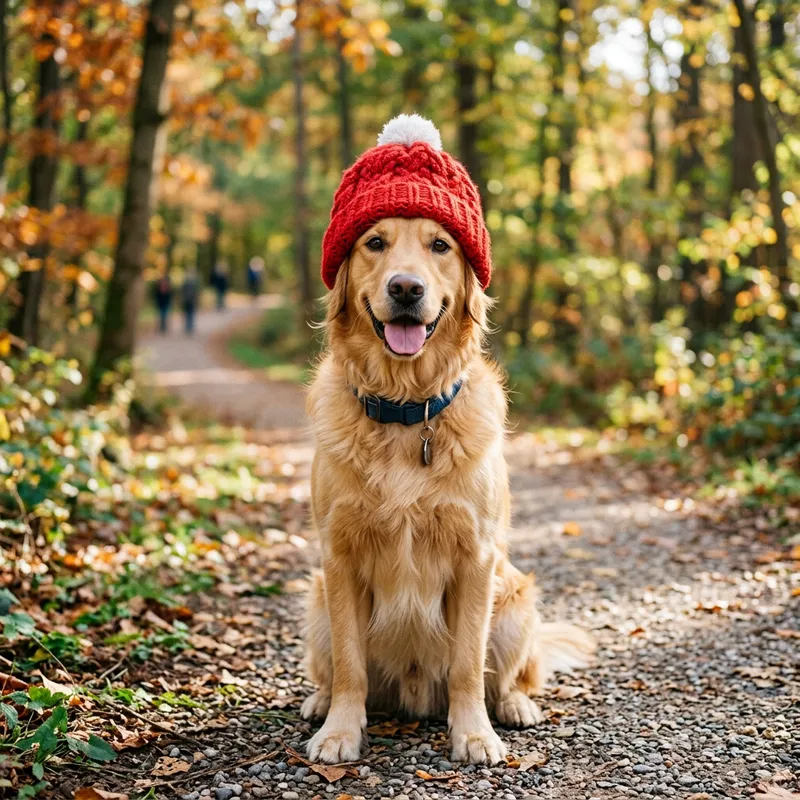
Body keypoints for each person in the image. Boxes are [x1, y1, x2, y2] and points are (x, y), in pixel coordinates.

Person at [181, 267, 200, 335]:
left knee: (189, 314)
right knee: (189, 314)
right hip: (189, 300)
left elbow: (195, 292)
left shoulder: (187, 282)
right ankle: (189, 327)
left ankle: (189, 327)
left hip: (189, 300)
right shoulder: (193, 282)